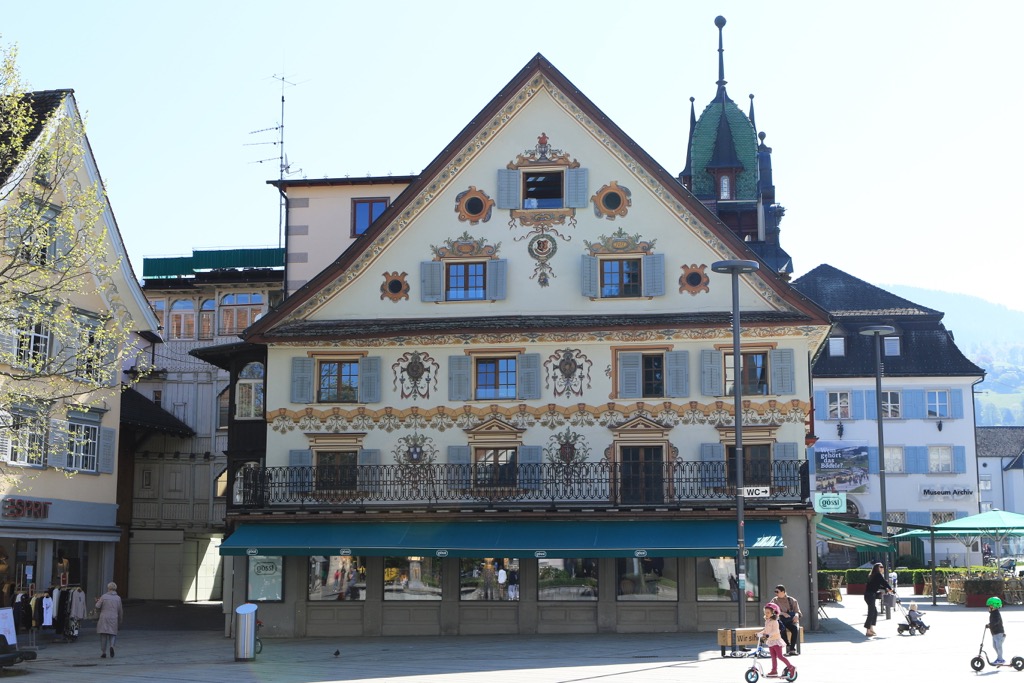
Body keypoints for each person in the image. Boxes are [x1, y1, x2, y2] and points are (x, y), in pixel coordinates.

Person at [756, 602, 796, 678]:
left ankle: (791, 667)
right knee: (773, 657)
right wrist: (760, 633)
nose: (766, 614)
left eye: (768, 612)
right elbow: (766, 630)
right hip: (770, 642)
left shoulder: (775, 622)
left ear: (773, 613)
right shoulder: (767, 621)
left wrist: (769, 634)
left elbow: (776, 631)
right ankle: (774, 670)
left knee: (780, 656)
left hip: (776, 641)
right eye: (765, 612)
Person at [770, 584, 802, 656]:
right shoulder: (774, 600)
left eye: (777, 592)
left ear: (783, 592)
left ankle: (792, 649)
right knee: (782, 629)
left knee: (795, 629)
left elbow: (797, 611)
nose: (776, 593)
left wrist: (796, 616)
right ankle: (788, 645)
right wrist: (782, 613)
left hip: (790, 620)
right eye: (775, 592)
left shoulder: (791, 600)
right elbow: (771, 612)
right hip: (780, 620)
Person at [864, 562, 893, 637]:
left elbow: (878, 585)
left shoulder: (873, 575)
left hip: (868, 595)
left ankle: (871, 628)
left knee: (874, 612)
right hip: (870, 595)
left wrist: (886, 589)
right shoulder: (877, 575)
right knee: (871, 612)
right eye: (881, 567)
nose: (883, 568)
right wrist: (890, 589)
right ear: (877, 568)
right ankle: (868, 631)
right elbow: (884, 582)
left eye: (883, 567)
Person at [95, 581, 123, 658]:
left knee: (103, 635)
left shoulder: (104, 596)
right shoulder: (118, 598)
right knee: (113, 634)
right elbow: (120, 610)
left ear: (108, 588)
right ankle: (112, 646)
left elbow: (97, 606)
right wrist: (120, 620)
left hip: (104, 617)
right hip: (114, 617)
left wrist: (97, 601)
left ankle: (103, 652)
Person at [986, 596, 1006, 665]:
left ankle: (1000, 659)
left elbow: (996, 621)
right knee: (994, 646)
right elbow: (993, 622)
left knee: (998, 646)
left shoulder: (996, 613)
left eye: (990, 606)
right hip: (995, 633)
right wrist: (990, 625)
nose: (989, 607)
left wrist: (990, 625)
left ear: (994, 606)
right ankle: (1000, 658)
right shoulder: (993, 613)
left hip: (999, 633)